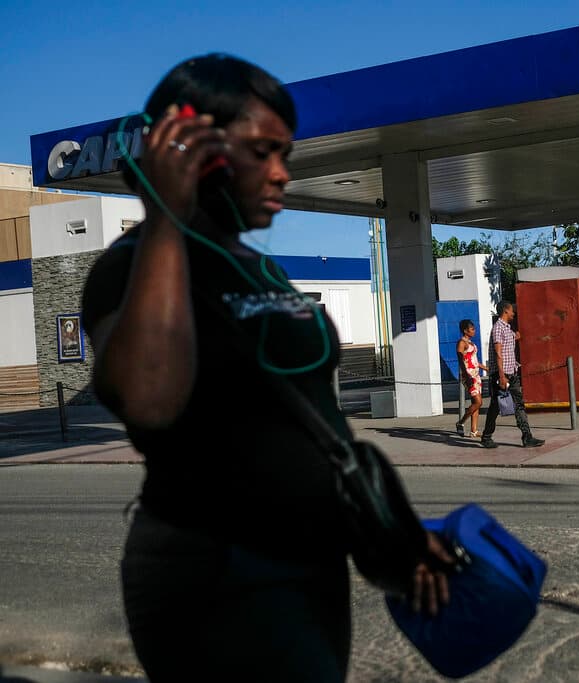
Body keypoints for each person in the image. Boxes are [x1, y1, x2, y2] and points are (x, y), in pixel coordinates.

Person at [80, 54, 453, 682]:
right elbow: (145, 398)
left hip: (307, 566)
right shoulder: (137, 265)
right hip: (217, 575)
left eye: (287, 152)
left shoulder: (256, 264)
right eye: (263, 151)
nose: (282, 173)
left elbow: (315, 418)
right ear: (198, 150)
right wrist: (165, 219)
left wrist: (398, 535)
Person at [480, 301, 544, 449]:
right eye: (511, 310)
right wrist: (501, 376)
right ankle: (486, 436)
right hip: (502, 374)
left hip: (512, 372)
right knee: (496, 406)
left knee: (519, 404)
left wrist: (516, 337)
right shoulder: (498, 329)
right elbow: (498, 352)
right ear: (505, 311)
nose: (513, 313)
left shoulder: (507, 329)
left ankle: (527, 437)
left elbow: (508, 346)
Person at [455, 319, 483, 437]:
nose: (474, 331)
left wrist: (485, 368)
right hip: (468, 376)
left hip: (476, 375)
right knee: (478, 402)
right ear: (465, 331)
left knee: (475, 403)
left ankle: (474, 430)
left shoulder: (471, 344)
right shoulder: (462, 343)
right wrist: (466, 375)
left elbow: (474, 361)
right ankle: (461, 422)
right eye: (472, 329)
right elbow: (461, 359)